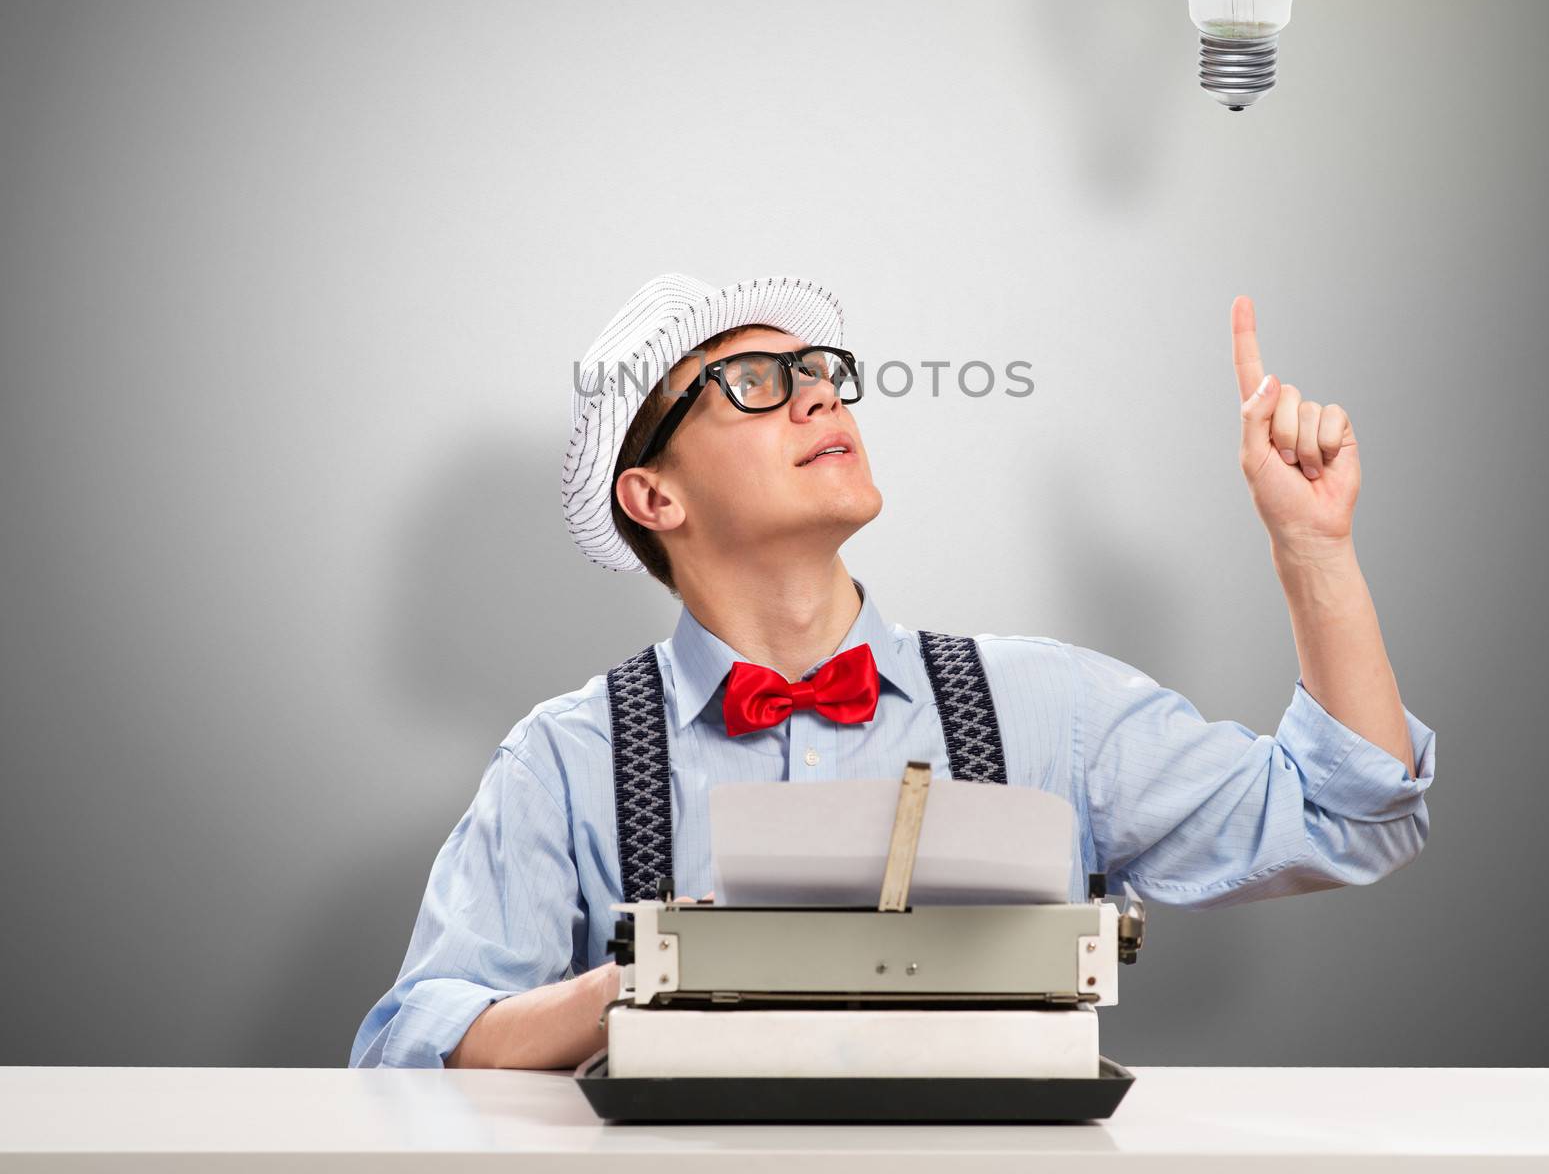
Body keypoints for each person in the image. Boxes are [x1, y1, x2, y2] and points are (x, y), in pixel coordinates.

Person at [349, 271, 1435, 1070]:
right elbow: (409, 1048)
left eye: (822, 374)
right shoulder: (568, 758)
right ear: (654, 497)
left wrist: (1312, 548)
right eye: (757, 382)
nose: (821, 397)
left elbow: (1346, 814)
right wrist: (646, 973)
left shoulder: (1041, 706)